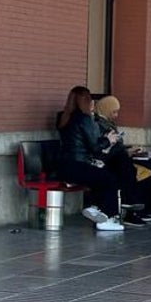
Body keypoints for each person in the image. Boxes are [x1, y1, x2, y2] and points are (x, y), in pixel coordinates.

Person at [57, 85, 133, 230]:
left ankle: (96, 208)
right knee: (109, 179)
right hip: (78, 165)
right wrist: (108, 140)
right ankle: (107, 217)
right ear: (87, 101)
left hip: (64, 166)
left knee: (100, 178)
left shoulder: (64, 117)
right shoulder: (85, 119)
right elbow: (95, 146)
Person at [94, 95, 151, 222]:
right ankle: (133, 207)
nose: (116, 115)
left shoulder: (109, 124)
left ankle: (148, 208)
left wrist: (129, 150)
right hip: (111, 161)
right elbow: (105, 147)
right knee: (133, 170)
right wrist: (126, 151)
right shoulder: (99, 125)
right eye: (114, 112)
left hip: (119, 157)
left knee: (149, 166)